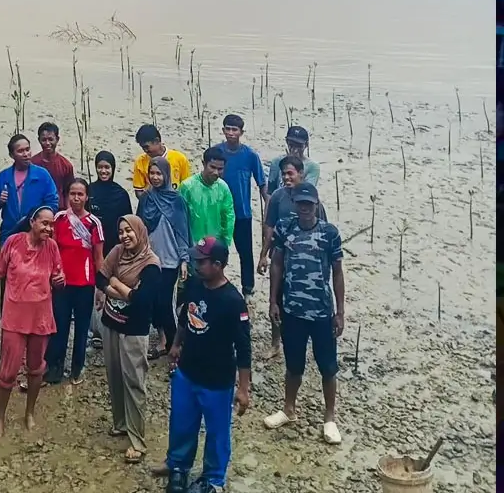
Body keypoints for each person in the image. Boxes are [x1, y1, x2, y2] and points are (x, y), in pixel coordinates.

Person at [161, 237, 251, 493]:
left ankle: (213, 479)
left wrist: (243, 389)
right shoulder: (194, 286)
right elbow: (184, 318)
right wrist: (176, 345)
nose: (196, 265)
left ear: (218, 265)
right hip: (187, 372)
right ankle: (178, 467)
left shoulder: (233, 301)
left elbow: (244, 348)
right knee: (182, 423)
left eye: (202, 261)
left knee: (217, 433)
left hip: (217, 381)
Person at [264, 183, 345, 446]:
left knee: (327, 367)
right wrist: (273, 301)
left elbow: (337, 273)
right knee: (293, 365)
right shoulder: (285, 228)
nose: (305, 208)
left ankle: (329, 418)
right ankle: (288, 409)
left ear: (316, 205)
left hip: (321, 312)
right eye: (301, 203)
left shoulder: (329, 233)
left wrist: (340, 312)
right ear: (296, 204)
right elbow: (277, 264)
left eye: (309, 204)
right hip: (292, 310)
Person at [0, 207, 64, 438]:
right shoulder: (13, 242)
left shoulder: (52, 247)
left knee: (36, 369)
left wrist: (60, 281)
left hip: (41, 318)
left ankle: (29, 413)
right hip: (14, 318)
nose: (49, 228)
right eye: (44, 223)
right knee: (8, 372)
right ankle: (0, 418)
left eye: (51, 225)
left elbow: (58, 279)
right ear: (32, 222)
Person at [95, 215, 163, 464]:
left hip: (134, 330)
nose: (125, 236)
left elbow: (142, 300)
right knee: (114, 376)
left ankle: (137, 441)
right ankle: (121, 424)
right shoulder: (117, 251)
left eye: (129, 231)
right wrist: (122, 290)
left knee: (134, 382)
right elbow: (100, 277)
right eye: (121, 231)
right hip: (110, 323)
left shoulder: (151, 264)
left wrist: (115, 283)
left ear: (140, 232)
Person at [0, 134, 59, 355]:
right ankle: (6, 336)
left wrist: (39, 221)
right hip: (10, 236)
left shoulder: (42, 175)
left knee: (38, 284)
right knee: (7, 286)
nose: (26, 154)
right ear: (12, 154)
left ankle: (35, 333)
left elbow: (53, 201)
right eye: (20, 151)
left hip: (37, 237)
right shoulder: (4, 176)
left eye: (28, 149)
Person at [256, 156, 328, 360]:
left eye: (290, 173)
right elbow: (269, 226)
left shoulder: (312, 199)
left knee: (307, 298)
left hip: (306, 260)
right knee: (276, 297)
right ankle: (275, 343)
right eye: (283, 174)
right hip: (280, 257)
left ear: (301, 174)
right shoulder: (277, 197)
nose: (286, 178)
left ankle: (307, 339)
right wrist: (263, 254)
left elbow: (324, 230)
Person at [47, 179, 103, 385]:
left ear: (87, 197)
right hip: (62, 283)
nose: (76, 198)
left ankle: (77, 368)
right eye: (73, 194)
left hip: (85, 284)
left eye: (80, 194)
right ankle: (55, 367)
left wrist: (101, 288)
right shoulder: (59, 219)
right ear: (67, 196)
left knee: (82, 328)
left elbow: (99, 257)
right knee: (59, 327)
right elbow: (51, 249)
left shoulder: (94, 223)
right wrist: (52, 276)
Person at [137, 156, 191, 360]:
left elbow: (182, 231)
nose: (155, 177)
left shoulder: (176, 200)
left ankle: (175, 344)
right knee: (152, 301)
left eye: (159, 173)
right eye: (152, 173)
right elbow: (138, 227)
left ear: (167, 175)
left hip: (170, 259)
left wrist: (184, 259)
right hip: (149, 258)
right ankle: (163, 341)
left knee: (165, 302)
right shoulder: (146, 198)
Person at [211, 114, 267, 297]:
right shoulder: (216, 152)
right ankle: (215, 284)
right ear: (223, 130)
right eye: (227, 129)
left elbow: (262, 183)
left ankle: (248, 289)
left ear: (241, 132)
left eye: (234, 129)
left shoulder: (250, 156)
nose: (230, 133)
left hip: (242, 213)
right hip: (219, 213)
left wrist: (269, 204)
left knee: (245, 253)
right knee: (217, 251)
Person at [88, 150, 133, 350]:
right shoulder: (90, 191)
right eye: (100, 167)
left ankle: (113, 325)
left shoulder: (121, 194)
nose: (103, 171)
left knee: (112, 287)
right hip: (93, 248)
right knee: (95, 288)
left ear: (113, 169)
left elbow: (127, 222)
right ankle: (96, 332)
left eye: (107, 167)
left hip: (115, 248)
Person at [179, 148, 235, 249]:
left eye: (220, 169)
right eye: (212, 167)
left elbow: (228, 217)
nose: (216, 172)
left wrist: (225, 244)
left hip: (215, 246)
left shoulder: (223, 188)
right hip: (193, 246)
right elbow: (180, 218)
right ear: (204, 164)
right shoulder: (187, 187)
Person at [132, 124, 192, 199]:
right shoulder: (140, 161)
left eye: (147, 147)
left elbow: (187, 187)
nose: (145, 150)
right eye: (143, 147)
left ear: (157, 141)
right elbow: (139, 191)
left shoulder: (180, 158)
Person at [31, 122, 75, 209]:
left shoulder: (66, 165)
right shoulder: (32, 164)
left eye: (51, 139)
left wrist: (68, 211)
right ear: (39, 140)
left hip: (59, 209)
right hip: (37, 209)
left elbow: (68, 192)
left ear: (57, 139)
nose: (47, 143)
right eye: (44, 140)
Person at [265, 126, 320, 195]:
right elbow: (270, 192)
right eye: (291, 145)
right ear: (287, 142)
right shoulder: (277, 162)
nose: (295, 150)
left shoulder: (312, 166)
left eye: (299, 146)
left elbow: (307, 191)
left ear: (306, 145)